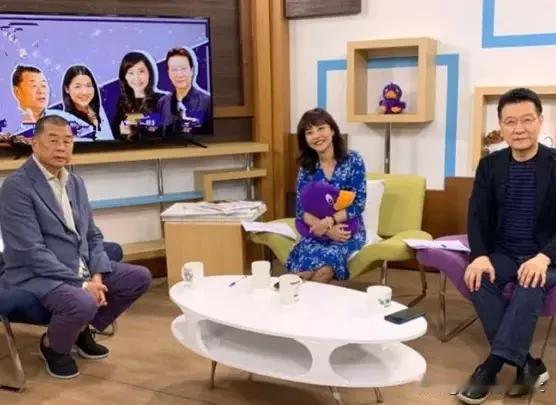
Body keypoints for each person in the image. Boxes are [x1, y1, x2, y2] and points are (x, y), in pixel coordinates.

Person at [0, 115, 151, 379]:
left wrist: (96, 276)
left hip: (78, 267)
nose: (62, 147)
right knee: (83, 300)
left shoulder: (75, 182)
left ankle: (80, 330)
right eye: (53, 140)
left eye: (68, 141)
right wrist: (82, 284)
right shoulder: (16, 187)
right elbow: (30, 252)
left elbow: (92, 234)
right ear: (35, 144)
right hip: (36, 275)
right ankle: (53, 347)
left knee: (138, 277)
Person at [458, 87, 556, 404]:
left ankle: (490, 366)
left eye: (527, 120)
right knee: (478, 278)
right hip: (504, 252)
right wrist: (479, 255)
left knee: (531, 283)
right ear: (501, 127)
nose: (519, 129)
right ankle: (527, 364)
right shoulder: (490, 165)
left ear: (540, 121)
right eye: (510, 122)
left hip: (545, 255)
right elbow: (476, 215)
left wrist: (544, 257)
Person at [285, 108, 366, 283]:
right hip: (316, 230)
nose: (316, 136)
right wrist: (327, 230)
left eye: (321, 128)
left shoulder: (353, 160)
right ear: (305, 139)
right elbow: (301, 210)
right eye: (309, 132)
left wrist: (330, 223)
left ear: (333, 130)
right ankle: (304, 294)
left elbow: (358, 204)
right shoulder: (307, 168)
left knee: (327, 263)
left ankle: (300, 296)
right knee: (310, 264)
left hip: (347, 230)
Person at [157, 47, 212, 136]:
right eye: (174, 69)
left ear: (192, 70)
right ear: (168, 73)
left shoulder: (207, 102)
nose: (179, 74)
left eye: (183, 68)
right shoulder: (162, 102)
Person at [111, 51, 164, 141]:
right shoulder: (122, 102)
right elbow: (116, 132)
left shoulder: (162, 99)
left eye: (141, 71)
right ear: (124, 77)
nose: (136, 78)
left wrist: (134, 121)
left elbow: (165, 129)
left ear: (149, 73)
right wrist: (123, 132)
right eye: (131, 73)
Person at [62, 65, 113, 140]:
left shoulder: (102, 111)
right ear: (67, 89)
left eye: (88, 86)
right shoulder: (65, 122)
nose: (84, 92)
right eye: (77, 87)